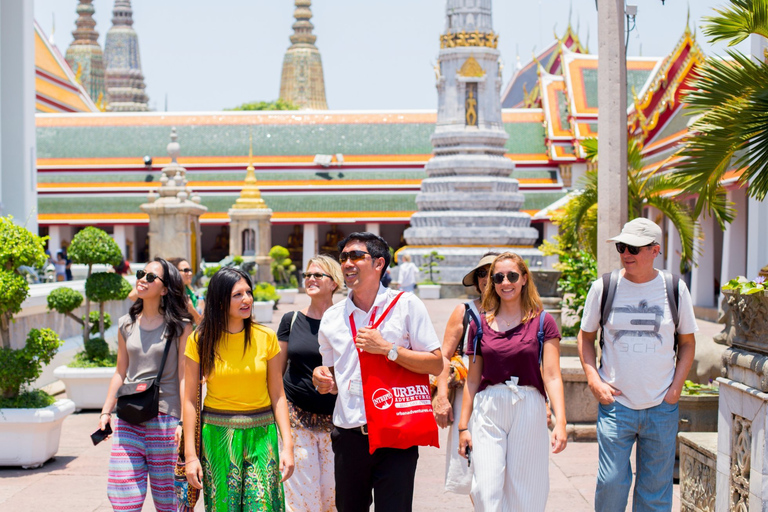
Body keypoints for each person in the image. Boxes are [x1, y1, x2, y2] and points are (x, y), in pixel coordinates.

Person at [312, 232, 443, 512]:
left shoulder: (406, 305)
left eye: (357, 256)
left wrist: (387, 349)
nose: (347, 263)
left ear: (379, 263)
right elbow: (335, 376)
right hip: (349, 434)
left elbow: (435, 363)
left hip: (396, 431)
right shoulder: (333, 317)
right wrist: (323, 379)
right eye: (344, 257)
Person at [577, 218, 697, 512]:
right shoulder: (604, 287)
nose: (626, 253)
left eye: (634, 247)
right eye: (621, 246)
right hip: (616, 404)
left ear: (655, 250)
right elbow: (585, 337)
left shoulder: (675, 288)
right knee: (611, 483)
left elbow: (688, 343)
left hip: (661, 405)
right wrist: (594, 380)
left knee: (655, 491)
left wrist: (675, 390)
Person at [458, 252, 567, 511]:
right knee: (485, 488)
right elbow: (472, 380)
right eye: (498, 277)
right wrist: (463, 427)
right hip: (489, 405)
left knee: (527, 489)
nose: (505, 282)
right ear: (493, 283)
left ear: (524, 279)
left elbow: (552, 375)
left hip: (528, 403)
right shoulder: (480, 324)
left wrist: (561, 421)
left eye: (512, 276)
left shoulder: (543, 321)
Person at [182, 266, 295, 511]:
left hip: (262, 435)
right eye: (237, 295)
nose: (247, 299)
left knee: (263, 507)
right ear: (220, 300)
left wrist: (287, 445)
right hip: (217, 437)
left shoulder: (266, 337)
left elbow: (278, 395)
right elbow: (190, 400)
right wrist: (191, 456)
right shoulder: (200, 340)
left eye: (248, 292)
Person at [97, 258, 193, 512]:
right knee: (123, 497)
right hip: (129, 417)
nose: (142, 279)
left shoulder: (181, 328)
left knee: (169, 503)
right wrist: (107, 410)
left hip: (165, 421)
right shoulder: (126, 324)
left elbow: (184, 376)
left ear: (164, 289)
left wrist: (185, 422)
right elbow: (120, 371)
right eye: (141, 273)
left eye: (151, 277)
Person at [276, 254, 344, 512]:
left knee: (332, 497)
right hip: (296, 420)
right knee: (301, 499)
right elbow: (277, 373)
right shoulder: (291, 320)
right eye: (308, 275)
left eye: (318, 275)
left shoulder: (346, 321)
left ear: (334, 283)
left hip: (337, 423)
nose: (311, 279)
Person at [433, 252, 496, 495]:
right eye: (481, 273)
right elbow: (444, 357)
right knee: (472, 469)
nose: (486, 278)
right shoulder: (465, 311)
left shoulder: (521, 312)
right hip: (468, 397)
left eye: (491, 273)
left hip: (505, 395)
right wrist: (441, 398)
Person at [168, 257, 203, 325]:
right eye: (186, 270)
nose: (190, 273)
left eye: (190, 270)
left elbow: (202, 324)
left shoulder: (196, 295)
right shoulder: (168, 295)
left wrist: (191, 309)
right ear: (175, 272)